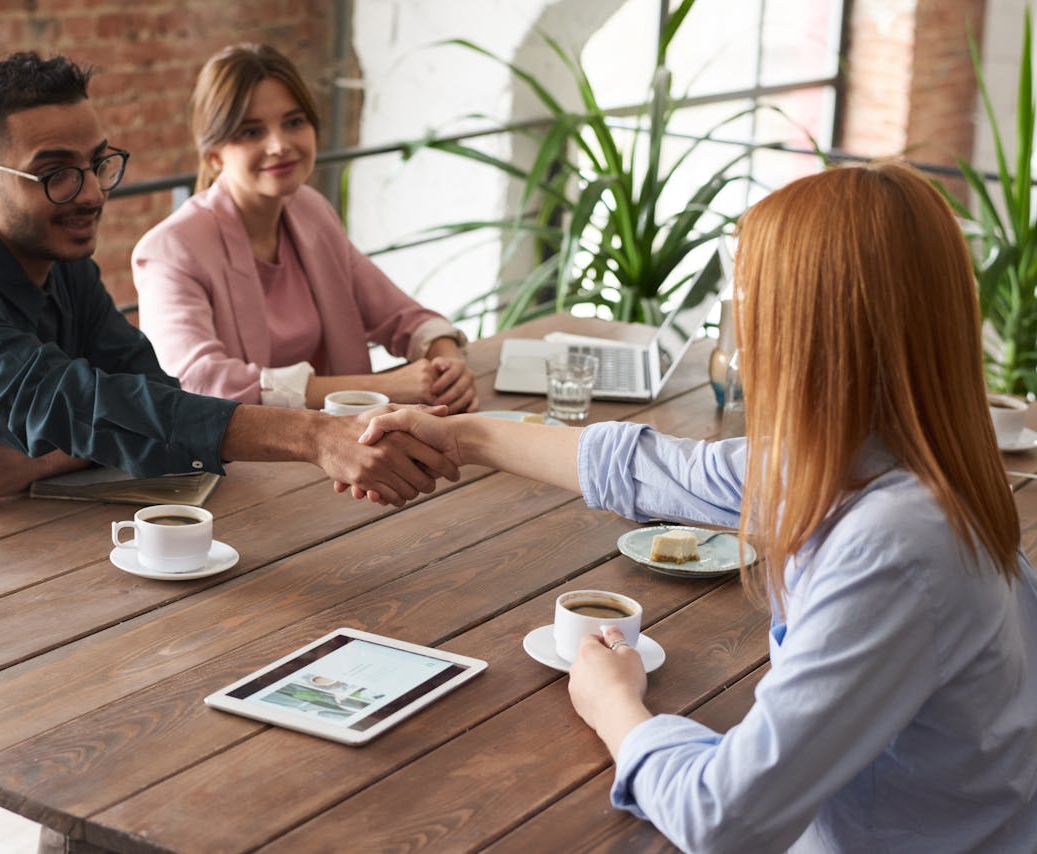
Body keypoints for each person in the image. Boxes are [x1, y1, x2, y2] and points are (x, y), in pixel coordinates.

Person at [356, 163, 1037, 850]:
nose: (736, 332)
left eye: (750, 303)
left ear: (814, 331)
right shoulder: (895, 460)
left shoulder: (896, 545)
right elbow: (659, 471)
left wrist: (613, 702)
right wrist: (463, 436)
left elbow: (721, 819)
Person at [0, 52, 456, 554]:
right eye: (55, 174)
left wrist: (30, 461)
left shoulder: (59, 261)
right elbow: (69, 403)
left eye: (98, 163)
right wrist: (312, 436)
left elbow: (147, 391)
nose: (90, 194)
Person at [131, 43, 478, 413]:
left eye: (294, 122)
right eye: (251, 132)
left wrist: (447, 362)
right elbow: (201, 381)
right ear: (214, 156)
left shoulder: (311, 211)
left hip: (345, 443)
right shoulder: (170, 248)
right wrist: (379, 387)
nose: (279, 145)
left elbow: (399, 315)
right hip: (242, 460)